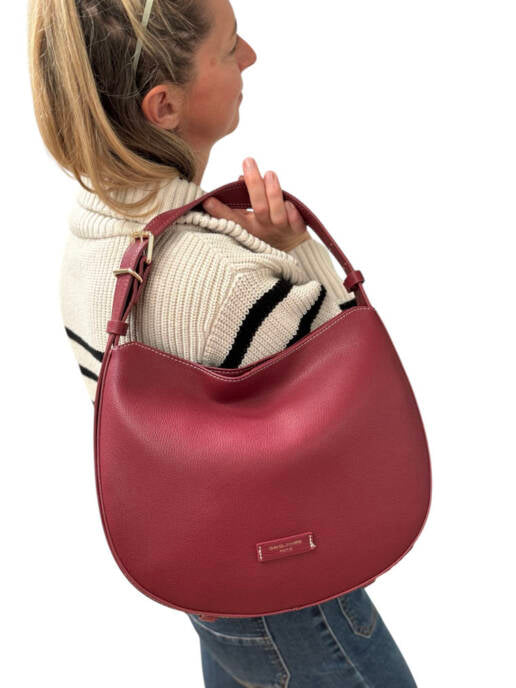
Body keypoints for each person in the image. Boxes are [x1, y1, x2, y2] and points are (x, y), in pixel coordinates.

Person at [28, 0, 418, 685]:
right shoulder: (219, 277)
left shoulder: (94, 229)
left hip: (211, 579)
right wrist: (293, 249)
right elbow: (360, 391)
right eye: (229, 46)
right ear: (164, 105)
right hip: (293, 588)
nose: (251, 58)